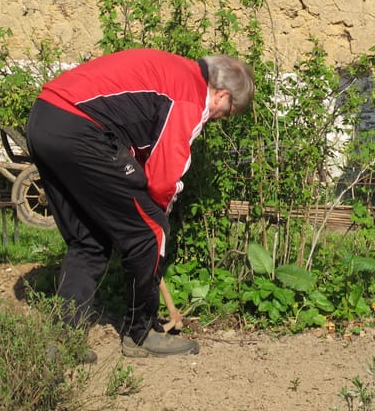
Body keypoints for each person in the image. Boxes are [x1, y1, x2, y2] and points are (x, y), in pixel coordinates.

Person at [25, 49, 254, 357]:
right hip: (81, 130)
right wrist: (156, 220)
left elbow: (142, 147)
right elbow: (163, 180)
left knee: (88, 239)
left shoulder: (175, 72)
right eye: (227, 112)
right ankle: (141, 334)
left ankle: (62, 340)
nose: (221, 118)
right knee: (150, 232)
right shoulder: (191, 95)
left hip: (44, 120)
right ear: (223, 95)